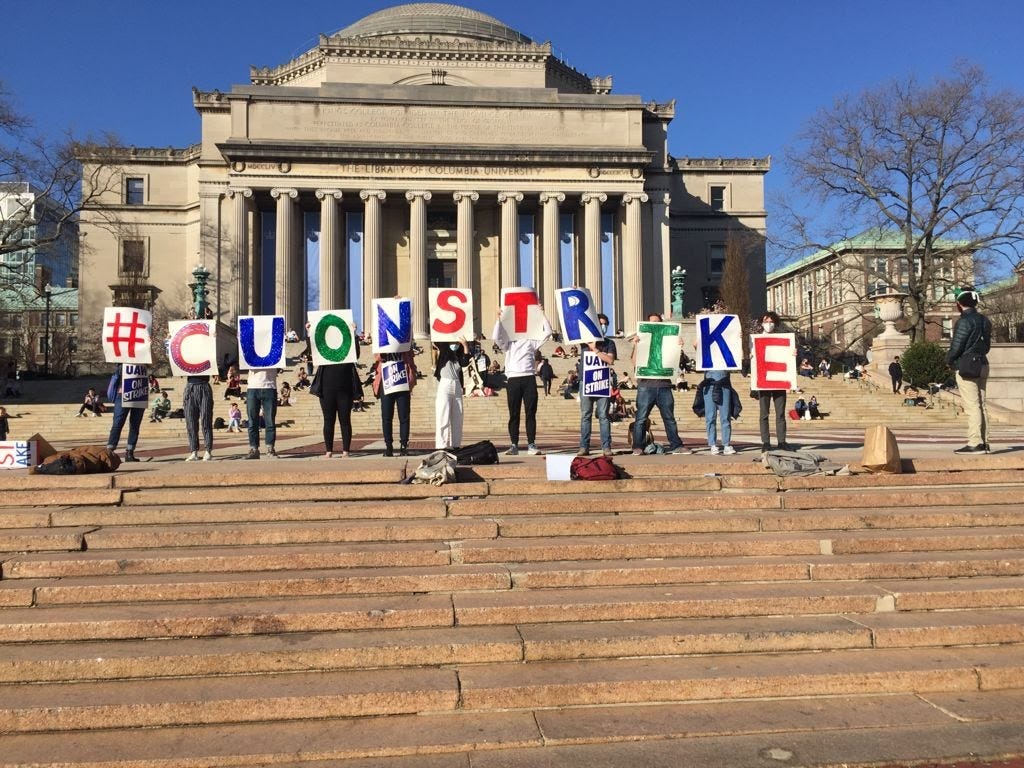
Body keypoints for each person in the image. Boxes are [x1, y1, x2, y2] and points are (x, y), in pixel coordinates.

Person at [491, 306, 551, 455]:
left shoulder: (531, 341)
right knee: (514, 413)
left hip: (529, 378)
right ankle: (514, 445)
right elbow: (496, 338)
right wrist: (498, 319)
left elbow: (548, 333)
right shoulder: (508, 343)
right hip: (513, 380)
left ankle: (531, 444)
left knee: (531, 413)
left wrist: (542, 313)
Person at [630, 313, 686, 455]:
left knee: (669, 418)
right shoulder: (641, 342)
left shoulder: (667, 341)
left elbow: (674, 361)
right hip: (645, 386)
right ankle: (638, 446)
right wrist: (636, 345)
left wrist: (677, 346)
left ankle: (676, 445)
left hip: (664, 386)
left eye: (657, 322)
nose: (654, 325)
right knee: (641, 418)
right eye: (651, 323)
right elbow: (635, 363)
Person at [947, 287, 992, 454]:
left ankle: (975, 442)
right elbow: (986, 346)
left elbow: (956, 346)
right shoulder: (985, 320)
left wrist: (949, 360)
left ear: (959, 303)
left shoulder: (964, 321)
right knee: (982, 404)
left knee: (972, 406)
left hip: (966, 365)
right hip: (983, 363)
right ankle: (985, 442)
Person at [577, 313, 617, 457]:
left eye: (605, 323)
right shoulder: (584, 341)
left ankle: (606, 447)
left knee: (603, 415)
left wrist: (595, 350)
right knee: (585, 415)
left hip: (602, 382)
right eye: (600, 323)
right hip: (586, 381)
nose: (603, 326)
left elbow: (610, 360)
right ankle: (584, 446)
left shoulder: (609, 343)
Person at [318, 334, 362, 458]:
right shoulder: (324, 350)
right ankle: (329, 450)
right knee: (328, 420)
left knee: (345, 420)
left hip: (345, 389)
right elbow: (313, 350)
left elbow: (356, 354)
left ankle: (346, 450)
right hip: (327, 389)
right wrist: (311, 332)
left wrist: (354, 336)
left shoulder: (347, 350)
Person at [752, 312, 791, 453]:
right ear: (762, 323)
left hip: (779, 380)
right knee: (764, 413)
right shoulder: (756, 339)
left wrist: (793, 354)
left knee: (780, 413)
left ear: (775, 322)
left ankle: (782, 441)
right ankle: (766, 442)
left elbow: (787, 358)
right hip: (764, 380)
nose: (768, 323)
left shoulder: (782, 338)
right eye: (765, 320)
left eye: (771, 321)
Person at [373, 348, 417, 456]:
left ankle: (404, 445)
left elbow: (411, 356)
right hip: (386, 380)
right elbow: (377, 357)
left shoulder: (405, 342)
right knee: (386, 417)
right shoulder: (381, 342)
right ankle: (389, 446)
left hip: (402, 379)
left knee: (404, 416)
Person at [434, 338, 469, 450]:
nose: (455, 344)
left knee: (458, 416)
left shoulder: (459, 353)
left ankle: (456, 445)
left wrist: (465, 345)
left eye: (457, 343)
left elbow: (465, 362)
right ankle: (442, 445)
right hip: (445, 383)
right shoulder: (444, 349)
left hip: (457, 384)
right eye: (454, 342)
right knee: (443, 415)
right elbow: (437, 340)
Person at [105, 365, 146, 463]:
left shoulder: (144, 359)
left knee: (135, 425)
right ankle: (109, 451)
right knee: (118, 423)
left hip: (140, 393)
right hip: (123, 393)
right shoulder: (122, 362)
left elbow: (154, 361)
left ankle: (130, 452)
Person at [694, 369, 740, 454]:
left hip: (724, 386)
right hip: (709, 386)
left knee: (725, 417)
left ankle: (726, 445)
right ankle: (713, 445)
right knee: (710, 417)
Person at [245, 366, 279, 459]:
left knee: (270, 421)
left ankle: (270, 448)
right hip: (252, 386)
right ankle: (254, 449)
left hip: (269, 385)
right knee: (252, 421)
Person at [183, 371, 214, 461]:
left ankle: (208, 450)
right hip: (190, 386)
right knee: (190, 422)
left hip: (204, 385)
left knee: (206, 420)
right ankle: (193, 451)